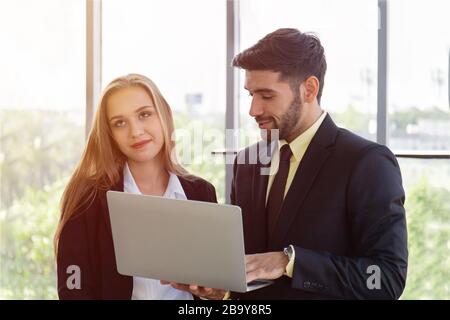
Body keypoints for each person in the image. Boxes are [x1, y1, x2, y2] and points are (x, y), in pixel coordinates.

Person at [171, 28, 408, 299]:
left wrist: (289, 262)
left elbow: (385, 278)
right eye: (251, 95)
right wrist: (223, 292)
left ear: (309, 89)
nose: (253, 110)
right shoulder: (246, 163)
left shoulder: (366, 163)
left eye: (267, 96)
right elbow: (250, 272)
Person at [54, 73, 217, 299]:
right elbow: (73, 289)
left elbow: (213, 287)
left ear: (164, 116)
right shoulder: (88, 197)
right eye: (120, 123)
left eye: (144, 114)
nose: (135, 131)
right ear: (110, 134)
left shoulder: (201, 192)